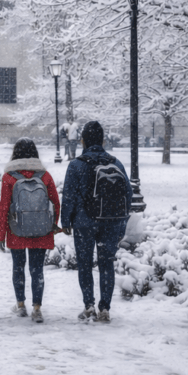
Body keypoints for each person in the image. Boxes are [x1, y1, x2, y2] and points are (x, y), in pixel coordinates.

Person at [60, 121, 132, 323]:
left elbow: (69, 196)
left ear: (82, 140)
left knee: (84, 264)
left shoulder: (76, 165)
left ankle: (89, 305)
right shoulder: (115, 163)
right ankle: (105, 308)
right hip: (110, 220)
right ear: (103, 140)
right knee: (106, 264)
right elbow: (128, 193)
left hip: (84, 222)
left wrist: (66, 221)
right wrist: (121, 220)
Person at [0, 138, 60, 324]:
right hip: (40, 229)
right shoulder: (45, 176)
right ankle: (37, 308)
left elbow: (4, 207)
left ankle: (21, 305)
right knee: (37, 269)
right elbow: (55, 203)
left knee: (18, 267)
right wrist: (50, 225)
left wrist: (1, 234)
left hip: (17, 229)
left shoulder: (10, 177)